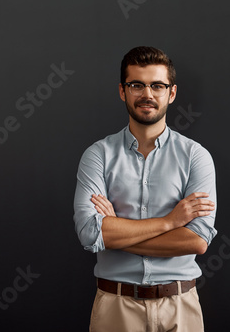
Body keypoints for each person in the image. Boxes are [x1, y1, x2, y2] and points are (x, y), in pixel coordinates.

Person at [73, 46, 217, 332]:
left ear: (171, 93)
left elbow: (197, 241)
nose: (147, 95)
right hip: (116, 306)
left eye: (157, 86)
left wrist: (115, 231)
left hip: (180, 306)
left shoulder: (195, 156)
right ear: (122, 91)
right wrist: (169, 222)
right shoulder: (97, 155)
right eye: (136, 85)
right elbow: (90, 233)